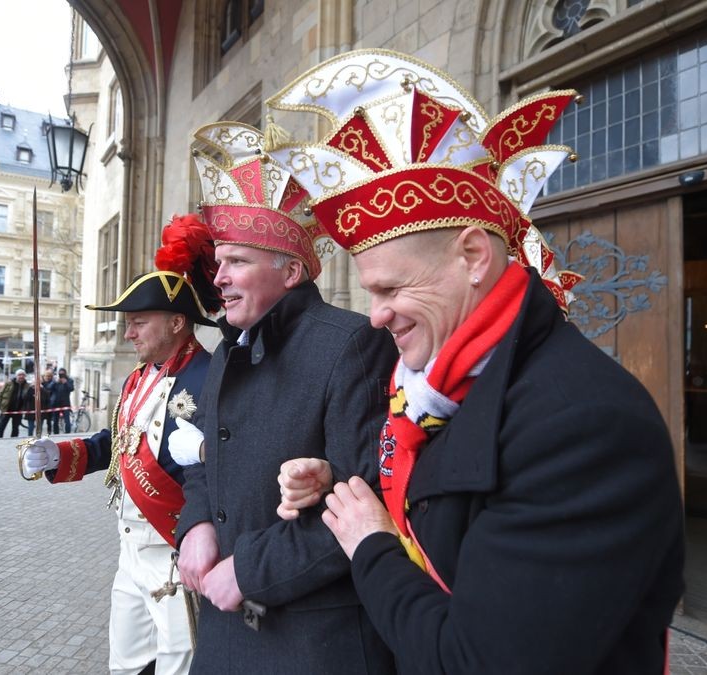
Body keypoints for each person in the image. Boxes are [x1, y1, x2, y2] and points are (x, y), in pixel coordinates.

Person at [268, 50, 684, 674]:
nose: (375, 316)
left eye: (390, 289)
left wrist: (370, 543)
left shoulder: (585, 424)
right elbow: (439, 495)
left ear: (471, 256)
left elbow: (478, 661)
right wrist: (334, 485)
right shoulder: (439, 380)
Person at [167, 123, 397, 674]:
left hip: (310, 640)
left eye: (237, 262)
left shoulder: (351, 344)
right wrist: (195, 523)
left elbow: (367, 502)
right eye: (219, 262)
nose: (217, 278)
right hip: (226, 635)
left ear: (291, 270)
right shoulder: (228, 349)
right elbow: (205, 460)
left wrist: (248, 570)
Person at [20, 227, 222, 675]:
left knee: (182, 666)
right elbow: (118, 444)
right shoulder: (138, 377)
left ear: (176, 322)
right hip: (129, 549)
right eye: (127, 321)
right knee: (127, 665)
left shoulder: (209, 376)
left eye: (138, 321)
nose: (127, 332)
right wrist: (59, 454)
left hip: (174, 549)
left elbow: (215, 468)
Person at [0, 369, 34, 438]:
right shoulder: (9, 383)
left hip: (18, 410)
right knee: (1, 426)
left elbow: (29, 397)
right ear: (16, 376)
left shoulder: (27, 386)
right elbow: (0, 394)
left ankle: (13, 440)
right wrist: (0, 406)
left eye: (23, 375)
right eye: (19, 375)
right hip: (6, 409)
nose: (21, 376)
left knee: (15, 428)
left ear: (25, 376)